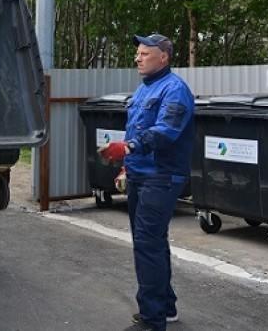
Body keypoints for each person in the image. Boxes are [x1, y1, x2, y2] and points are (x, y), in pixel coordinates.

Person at [98, 34, 195, 331]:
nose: (137, 58)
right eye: (137, 53)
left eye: (144, 54)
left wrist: (128, 147)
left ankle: (153, 321)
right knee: (153, 242)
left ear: (163, 57)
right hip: (139, 175)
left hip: (161, 176)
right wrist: (126, 167)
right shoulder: (144, 89)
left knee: (147, 244)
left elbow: (166, 131)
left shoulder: (175, 90)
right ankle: (165, 308)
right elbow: (136, 130)